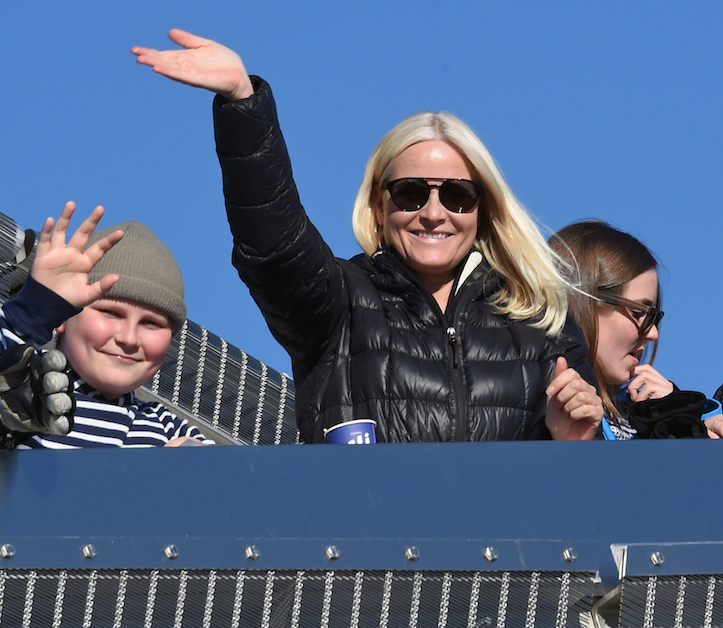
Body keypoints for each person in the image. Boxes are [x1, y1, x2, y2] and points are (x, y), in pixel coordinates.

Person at [131, 29, 601, 444]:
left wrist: (575, 440)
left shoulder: (541, 317)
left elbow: (585, 495)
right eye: (410, 193)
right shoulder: (340, 304)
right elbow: (276, 247)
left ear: (484, 209)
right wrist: (243, 105)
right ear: (378, 203)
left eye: (457, 196)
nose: (433, 213)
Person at [0, 203, 209, 448]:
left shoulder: (167, 428)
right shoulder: (23, 388)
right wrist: (33, 312)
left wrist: (190, 464)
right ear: (65, 315)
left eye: (151, 323)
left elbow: (227, 479)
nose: (129, 338)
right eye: (110, 313)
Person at [549, 220, 723, 439]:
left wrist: (679, 423)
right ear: (582, 303)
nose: (653, 334)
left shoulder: (649, 412)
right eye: (639, 313)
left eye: (653, 318)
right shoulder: (535, 411)